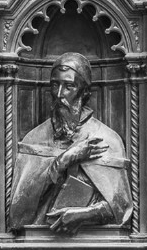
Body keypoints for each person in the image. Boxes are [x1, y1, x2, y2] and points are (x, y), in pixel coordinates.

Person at [9, 52, 132, 233]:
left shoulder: (106, 138)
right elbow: (17, 215)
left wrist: (85, 215)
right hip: (37, 241)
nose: (59, 95)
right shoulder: (35, 138)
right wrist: (63, 160)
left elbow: (122, 209)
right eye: (55, 85)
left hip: (99, 242)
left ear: (85, 91)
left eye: (69, 86)